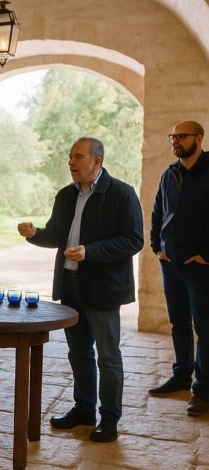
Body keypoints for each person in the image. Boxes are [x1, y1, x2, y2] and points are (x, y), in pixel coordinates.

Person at [17, 137, 143, 443]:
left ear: (96, 161)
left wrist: (91, 252)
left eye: (78, 157)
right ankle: (84, 409)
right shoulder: (65, 195)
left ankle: (109, 419)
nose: (71, 163)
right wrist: (35, 235)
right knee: (79, 353)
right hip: (70, 287)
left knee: (108, 357)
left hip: (104, 290)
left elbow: (133, 240)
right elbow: (58, 237)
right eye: (70, 157)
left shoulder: (122, 194)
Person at [148, 121, 209, 416]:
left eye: (181, 136)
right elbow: (158, 211)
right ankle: (181, 376)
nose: (175, 141)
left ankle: (203, 390)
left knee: (205, 328)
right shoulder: (168, 173)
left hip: (200, 267)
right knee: (179, 323)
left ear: (198, 138)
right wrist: (157, 247)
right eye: (172, 136)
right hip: (170, 264)